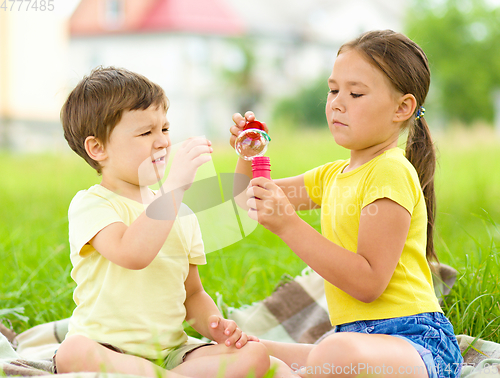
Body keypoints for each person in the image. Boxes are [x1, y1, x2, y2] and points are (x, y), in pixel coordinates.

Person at [229, 30, 463, 378]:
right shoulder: (333, 175)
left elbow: (368, 283)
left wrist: (289, 225)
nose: (337, 102)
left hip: (416, 342)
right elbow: (249, 196)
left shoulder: (390, 171)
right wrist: (248, 156)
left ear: (403, 107)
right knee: (245, 350)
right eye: (333, 89)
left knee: (334, 353)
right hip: (354, 341)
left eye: (355, 93)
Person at [54, 66, 273, 378]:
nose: (161, 142)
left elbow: (193, 293)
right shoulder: (92, 204)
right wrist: (173, 188)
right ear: (98, 148)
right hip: (106, 349)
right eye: (146, 133)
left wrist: (216, 327)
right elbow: (133, 253)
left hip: (171, 353)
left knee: (254, 354)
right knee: (72, 351)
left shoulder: (179, 211)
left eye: (165, 129)